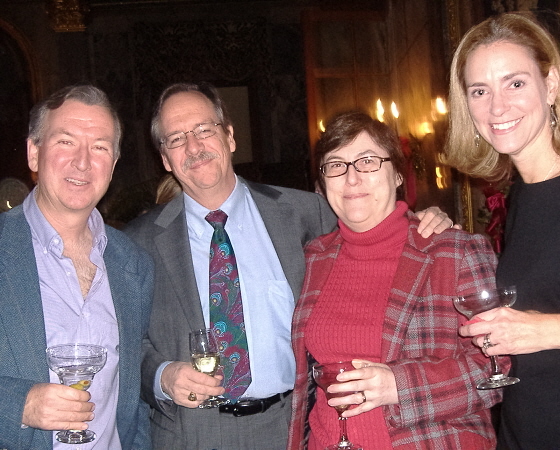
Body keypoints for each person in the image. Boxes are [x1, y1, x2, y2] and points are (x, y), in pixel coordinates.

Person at [124, 82, 454, 449]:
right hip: (191, 434)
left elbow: (372, 228)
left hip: (289, 427)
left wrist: (418, 222)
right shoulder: (138, 243)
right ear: (165, 159)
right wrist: (162, 376)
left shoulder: (306, 213)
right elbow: (122, 343)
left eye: (204, 129)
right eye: (176, 138)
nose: (193, 146)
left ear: (230, 136)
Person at [287, 111, 504, 450]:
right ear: (322, 182)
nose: (352, 178)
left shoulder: (454, 252)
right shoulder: (314, 257)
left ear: (398, 174)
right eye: (336, 165)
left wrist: (399, 386)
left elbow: (494, 369)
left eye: (368, 161)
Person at [444, 12, 560, 449]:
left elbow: (540, 325)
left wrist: (538, 330)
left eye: (515, 83)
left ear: (550, 86)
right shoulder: (523, 195)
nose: (497, 107)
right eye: (480, 91)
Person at [0, 85, 153, 449]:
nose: (82, 162)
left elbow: (132, 398)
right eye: (66, 142)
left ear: (113, 165)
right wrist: (17, 405)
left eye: (99, 147)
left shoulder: (135, 264)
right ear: (33, 153)